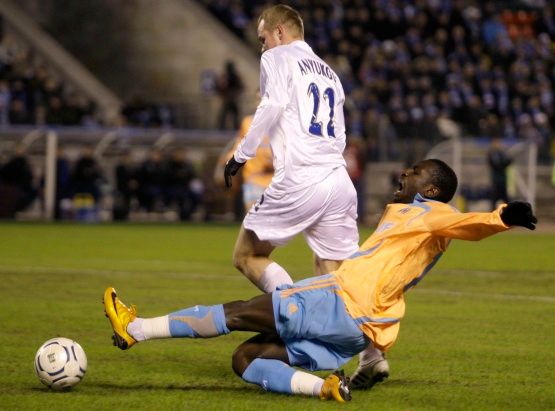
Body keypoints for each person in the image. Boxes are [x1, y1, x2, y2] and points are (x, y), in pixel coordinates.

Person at [103, 159, 537, 402]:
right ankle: (326, 387)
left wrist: (503, 217)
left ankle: (134, 329)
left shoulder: (433, 212)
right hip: (357, 333)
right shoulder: (412, 215)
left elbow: (470, 223)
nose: (404, 171)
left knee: (236, 313)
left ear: (434, 189)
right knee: (246, 360)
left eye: (416, 170)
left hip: (339, 302)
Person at [223, 4, 385, 389]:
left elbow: (272, 104)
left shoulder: (277, 57)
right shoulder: (329, 72)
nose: (263, 47)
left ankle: (296, 317)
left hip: (301, 177)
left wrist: (242, 153)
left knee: (247, 255)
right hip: (337, 178)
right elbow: (342, 133)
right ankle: (373, 355)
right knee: (336, 275)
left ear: (279, 33)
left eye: (263, 38)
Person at [216, 60, 244, 130]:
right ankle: (224, 128)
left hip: (230, 98)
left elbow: (240, 86)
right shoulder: (228, 76)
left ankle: (226, 128)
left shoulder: (229, 76)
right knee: (229, 114)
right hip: (229, 98)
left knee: (230, 113)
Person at [487, 136, 512, 210]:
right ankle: (492, 214)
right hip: (496, 180)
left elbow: (508, 161)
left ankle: (509, 214)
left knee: (505, 199)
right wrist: (504, 163)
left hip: (503, 180)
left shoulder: (502, 154)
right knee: (495, 199)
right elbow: (497, 165)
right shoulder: (492, 154)